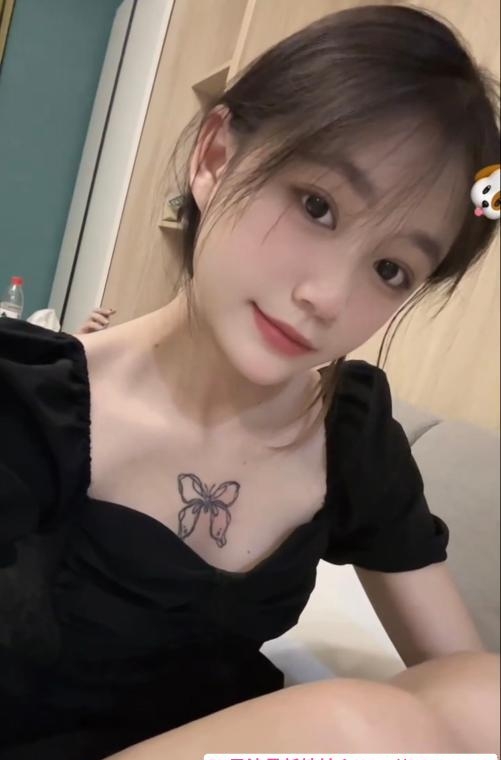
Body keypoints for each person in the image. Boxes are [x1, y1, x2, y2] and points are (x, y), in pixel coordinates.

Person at [0, 5, 499, 759]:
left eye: (391, 269)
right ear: (214, 157)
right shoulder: (28, 406)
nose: (327, 298)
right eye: (317, 206)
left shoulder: (348, 435)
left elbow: (462, 678)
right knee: (361, 724)